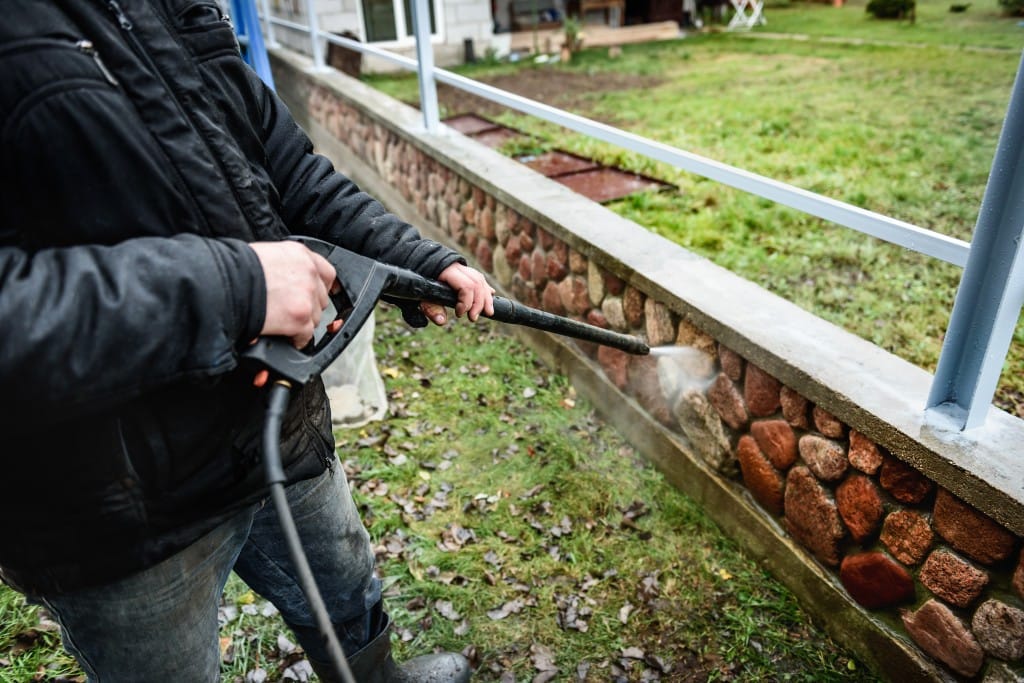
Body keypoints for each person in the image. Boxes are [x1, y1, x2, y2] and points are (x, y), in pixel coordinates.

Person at [0, 1, 493, 681]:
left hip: (273, 421)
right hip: (115, 506)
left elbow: (288, 169)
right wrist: (235, 290)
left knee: (347, 593)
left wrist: (414, 260)